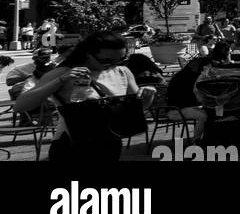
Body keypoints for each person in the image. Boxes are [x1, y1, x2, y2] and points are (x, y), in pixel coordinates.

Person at [15, 31, 153, 164]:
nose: (113, 65)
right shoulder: (65, 72)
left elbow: (137, 109)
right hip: (73, 145)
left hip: (111, 142)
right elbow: (21, 105)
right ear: (88, 54)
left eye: (121, 59)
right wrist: (60, 80)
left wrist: (147, 95)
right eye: (106, 61)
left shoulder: (122, 71)